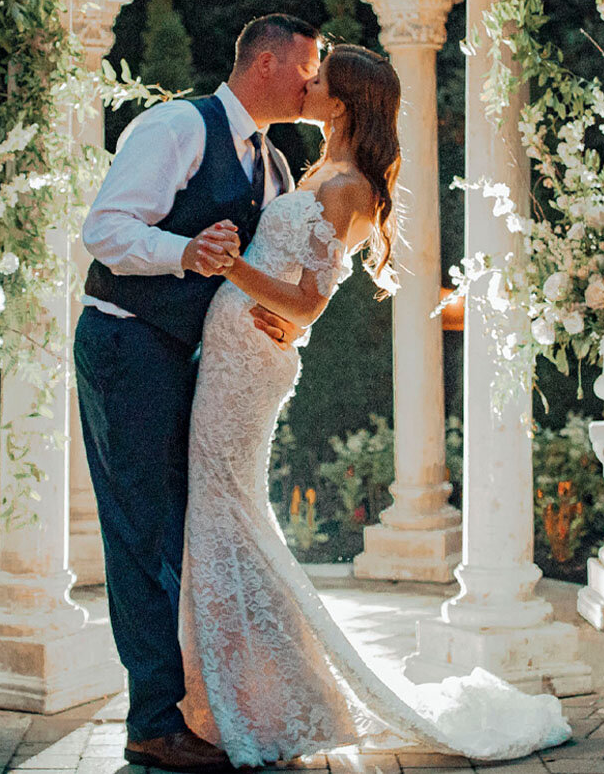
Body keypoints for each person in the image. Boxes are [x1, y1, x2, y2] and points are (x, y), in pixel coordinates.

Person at [179, 43, 571, 768]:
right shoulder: (314, 168)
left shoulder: (350, 186)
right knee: (220, 514)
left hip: (249, 367)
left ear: (347, 101)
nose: (306, 84)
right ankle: (247, 692)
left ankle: (261, 701)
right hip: (234, 352)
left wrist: (231, 268)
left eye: (319, 80)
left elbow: (309, 302)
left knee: (226, 513)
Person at [74, 13, 322, 773]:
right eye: (308, 68)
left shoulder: (276, 168)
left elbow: (264, 279)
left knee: (193, 532)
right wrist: (185, 251)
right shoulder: (178, 125)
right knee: (143, 532)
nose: (314, 85)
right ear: (270, 61)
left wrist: (284, 328)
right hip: (128, 344)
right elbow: (106, 229)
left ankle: (201, 704)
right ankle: (151, 722)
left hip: (197, 364)